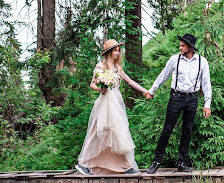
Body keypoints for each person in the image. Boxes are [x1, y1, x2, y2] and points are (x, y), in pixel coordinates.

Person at [75, 39, 149, 175]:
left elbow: (129, 80)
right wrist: (100, 89)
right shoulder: (100, 66)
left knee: (119, 132)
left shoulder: (117, 67)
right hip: (104, 102)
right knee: (96, 132)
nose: (117, 53)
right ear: (109, 52)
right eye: (115, 50)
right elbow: (92, 84)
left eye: (118, 50)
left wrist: (145, 90)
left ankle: (125, 166)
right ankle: (83, 164)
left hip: (116, 101)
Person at [144, 33, 212, 174]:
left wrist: (207, 104)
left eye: (182, 45)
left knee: (187, 131)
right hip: (176, 97)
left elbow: (206, 83)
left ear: (190, 47)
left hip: (192, 99)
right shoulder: (174, 60)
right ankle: (156, 162)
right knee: (167, 129)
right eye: (180, 45)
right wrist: (152, 91)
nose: (180, 48)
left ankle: (181, 162)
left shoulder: (202, 61)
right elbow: (163, 75)